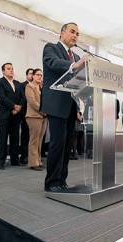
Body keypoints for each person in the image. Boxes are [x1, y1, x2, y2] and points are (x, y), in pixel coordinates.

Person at [40, 22, 87, 192]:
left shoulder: (74, 55)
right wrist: (74, 66)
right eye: (72, 31)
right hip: (56, 103)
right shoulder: (51, 47)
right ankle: (51, 183)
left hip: (71, 105)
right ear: (62, 33)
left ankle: (62, 181)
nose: (75, 36)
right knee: (57, 144)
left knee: (67, 146)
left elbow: (78, 80)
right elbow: (53, 63)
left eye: (77, 33)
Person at [0, 63, 25, 170]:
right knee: (3, 139)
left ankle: (14, 160)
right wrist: (13, 106)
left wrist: (19, 107)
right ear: (3, 71)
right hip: (5, 114)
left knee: (15, 138)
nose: (11, 70)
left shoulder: (18, 83)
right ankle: (0, 162)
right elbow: (1, 97)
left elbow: (23, 97)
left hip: (17, 115)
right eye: (8, 69)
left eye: (12, 69)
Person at [25, 68, 47, 171]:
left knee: (40, 140)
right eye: (38, 75)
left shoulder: (42, 87)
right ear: (32, 76)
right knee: (34, 140)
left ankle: (38, 161)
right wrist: (44, 111)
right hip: (33, 116)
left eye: (41, 75)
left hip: (43, 116)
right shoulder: (29, 86)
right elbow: (33, 102)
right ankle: (33, 163)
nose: (40, 77)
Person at [19, 68, 34, 165]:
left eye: (33, 74)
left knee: (33, 137)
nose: (32, 76)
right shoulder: (22, 85)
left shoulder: (37, 85)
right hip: (25, 114)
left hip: (35, 114)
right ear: (26, 75)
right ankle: (24, 156)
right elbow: (22, 99)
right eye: (30, 74)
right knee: (25, 136)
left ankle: (32, 157)